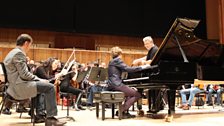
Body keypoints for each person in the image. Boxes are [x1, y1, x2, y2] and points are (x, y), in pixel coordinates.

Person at [3, 34, 66, 125]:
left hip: (13, 86)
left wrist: (38, 81)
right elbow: (24, 75)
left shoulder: (12, 52)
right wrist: (39, 79)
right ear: (26, 43)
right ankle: (50, 118)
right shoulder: (19, 53)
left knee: (43, 87)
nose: (29, 48)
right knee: (50, 87)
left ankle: (39, 114)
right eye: (30, 45)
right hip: (19, 87)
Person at [107, 46, 150, 118]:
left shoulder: (112, 61)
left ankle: (124, 112)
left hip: (113, 84)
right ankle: (121, 111)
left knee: (130, 93)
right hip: (116, 84)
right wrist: (142, 67)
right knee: (137, 95)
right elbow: (128, 69)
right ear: (119, 54)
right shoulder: (117, 60)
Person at [132, 36, 161, 112]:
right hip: (152, 72)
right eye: (145, 44)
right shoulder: (152, 49)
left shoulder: (155, 49)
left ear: (151, 42)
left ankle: (155, 107)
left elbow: (151, 61)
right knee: (151, 90)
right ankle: (153, 106)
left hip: (155, 72)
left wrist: (143, 62)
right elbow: (147, 57)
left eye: (147, 44)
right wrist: (138, 59)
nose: (146, 46)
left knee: (154, 90)